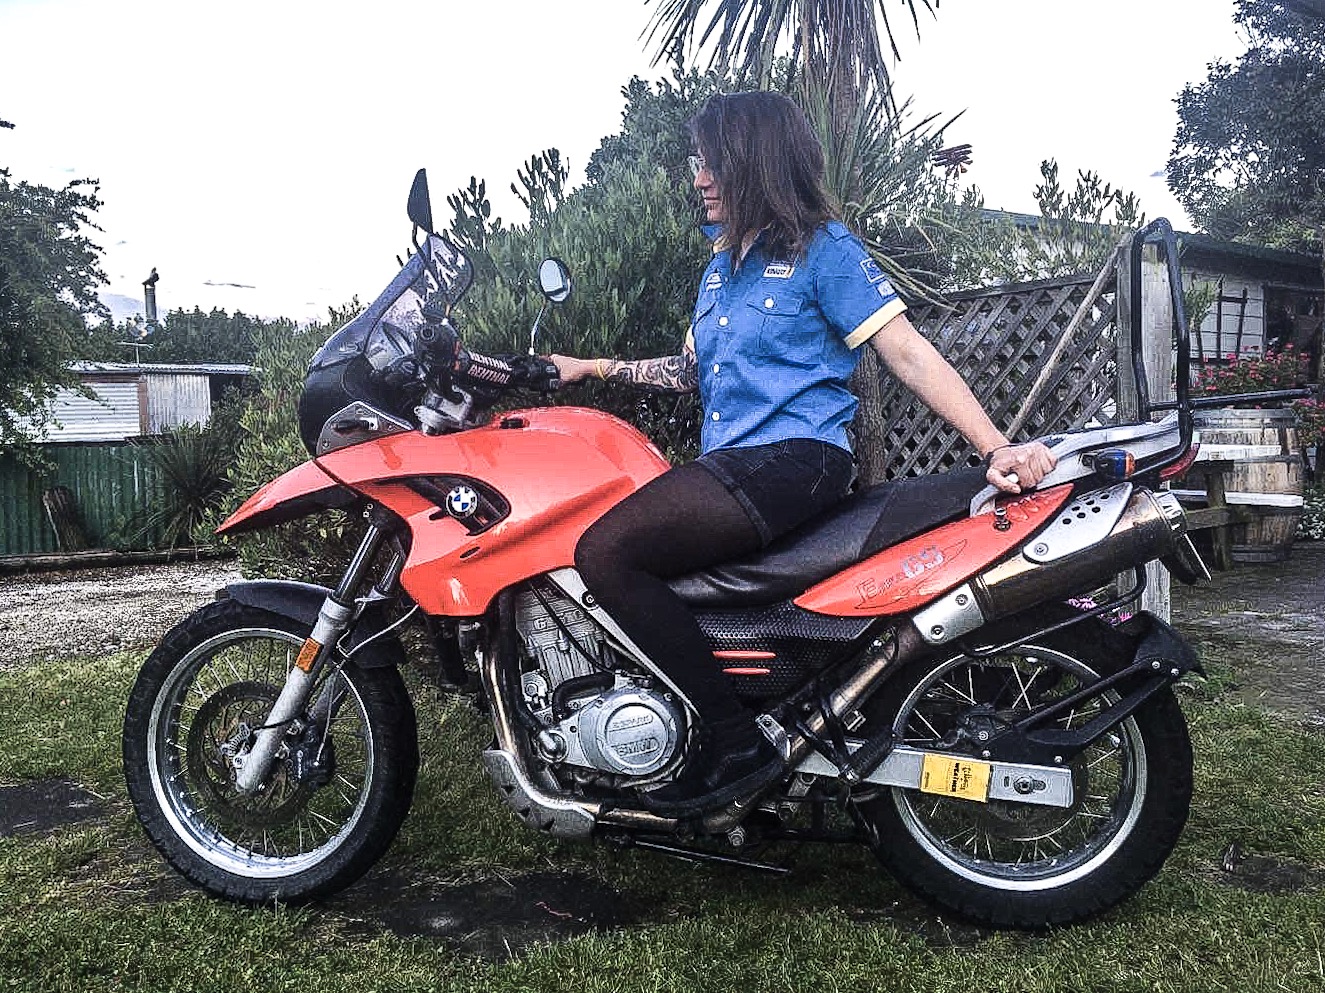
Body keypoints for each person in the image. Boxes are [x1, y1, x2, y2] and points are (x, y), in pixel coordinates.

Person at [550, 91, 1055, 818]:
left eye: (713, 162)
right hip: (737, 466)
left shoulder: (824, 250)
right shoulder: (719, 269)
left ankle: (734, 744)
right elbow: (688, 371)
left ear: (756, 162)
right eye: (697, 163)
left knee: (606, 551)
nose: (699, 178)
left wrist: (995, 445)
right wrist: (591, 368)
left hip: (796, 459)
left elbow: (906, 352)